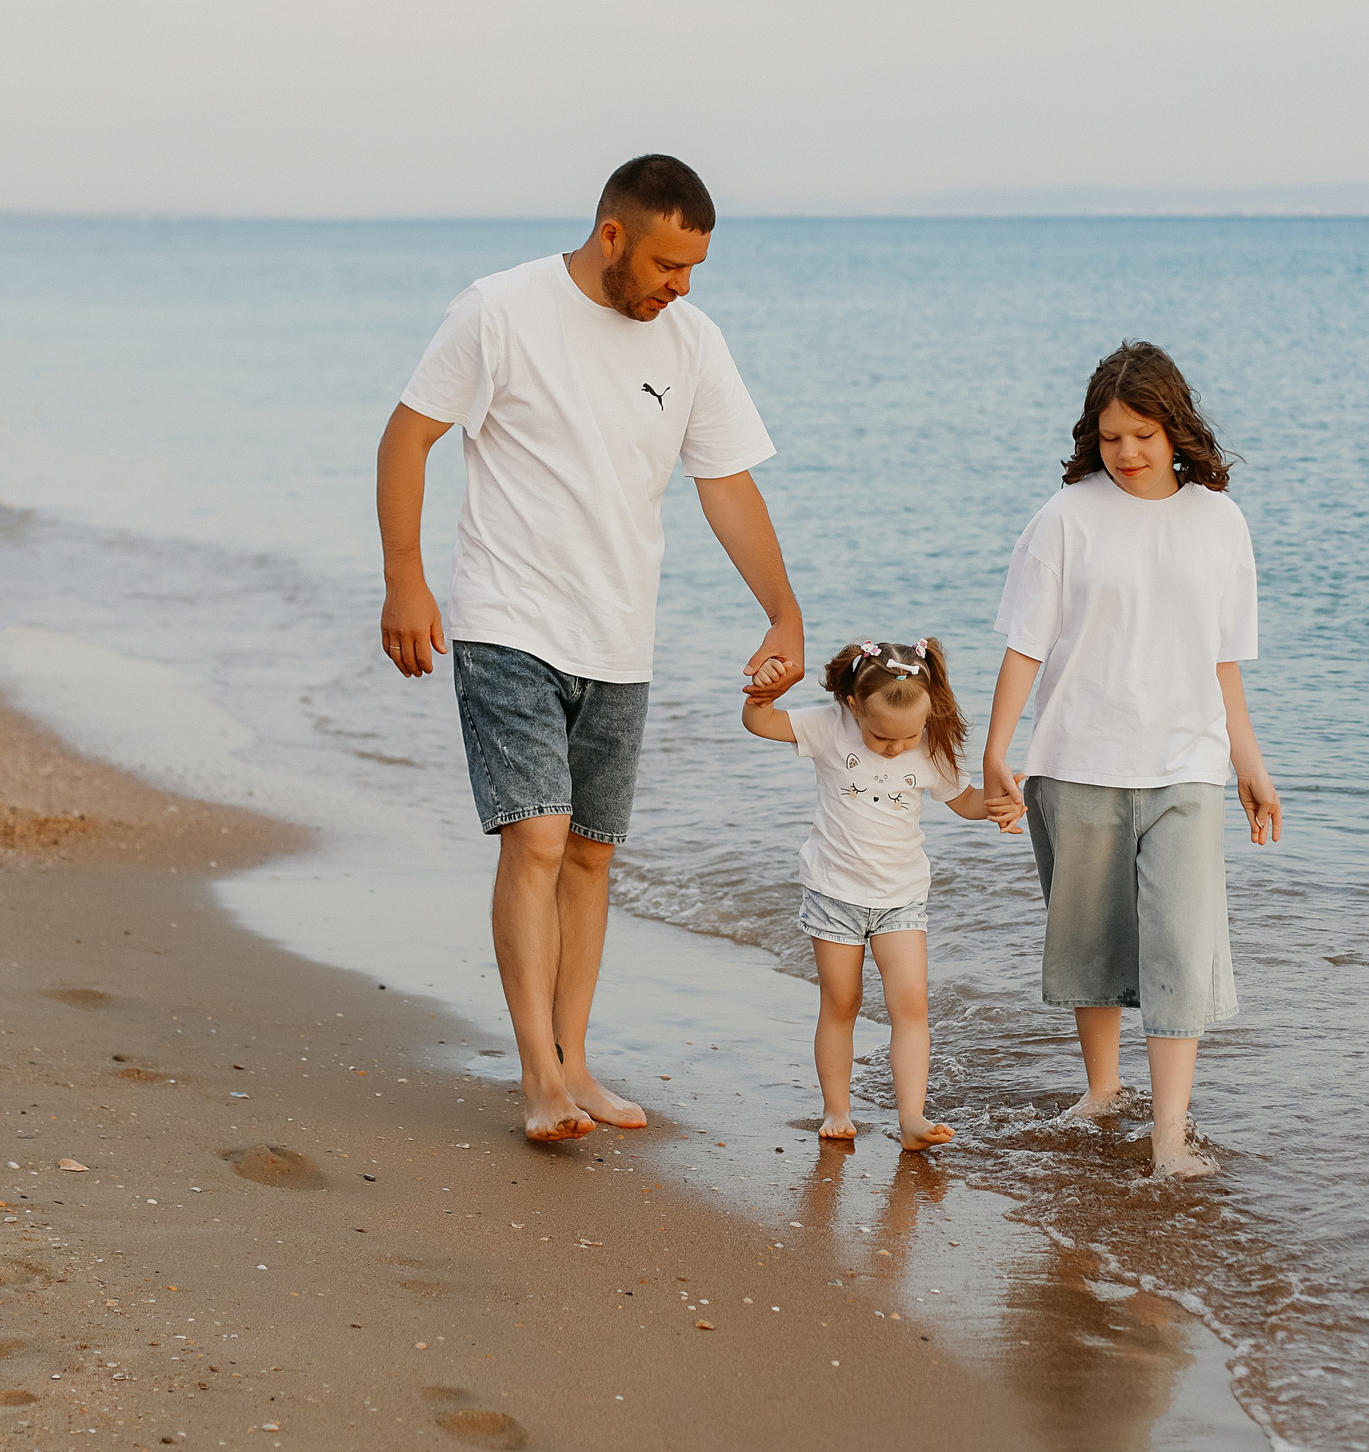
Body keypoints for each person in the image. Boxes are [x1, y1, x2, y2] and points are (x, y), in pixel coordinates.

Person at [376, 154, 806, 1143]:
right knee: (536, 835)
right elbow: (407, 436)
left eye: (693, 268)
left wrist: (782, 610)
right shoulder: (500, 310)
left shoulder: (693, 341)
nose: (679, 285)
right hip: (508, 621)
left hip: (619, 635)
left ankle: (574, 1063)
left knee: (589, 854)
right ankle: (540, 1078)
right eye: (665, 263)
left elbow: (726, 484)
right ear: (613, 235)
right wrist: (406, 576)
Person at [979, 341, 1281, 1179]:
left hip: (1188, 764)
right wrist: (997, 750)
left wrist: (1250, 764)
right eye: (1111, 437)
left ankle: (1170, 1133)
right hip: (1078, 756)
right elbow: (1025, 646)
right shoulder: (1065, 516)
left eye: (1143, 434)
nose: (1127, 452)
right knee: (1095, 944)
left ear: (1176, 427)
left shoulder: (1219, 521)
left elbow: (1223, 659)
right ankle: (1104, 1091)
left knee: (1181, 945)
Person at [741, 638, 1017, 1148]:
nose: (896, 748)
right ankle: (836, 1109)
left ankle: (912, 1119)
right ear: (853, 705)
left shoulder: (929, 745)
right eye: (882, 736)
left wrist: (1001, 802)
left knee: (911, 1006)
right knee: (841, 1003)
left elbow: (965, 802)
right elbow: (761, 723)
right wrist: (762, 694)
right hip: (833, 894)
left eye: (908, 736)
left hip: (901, 898)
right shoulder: (829, 726)